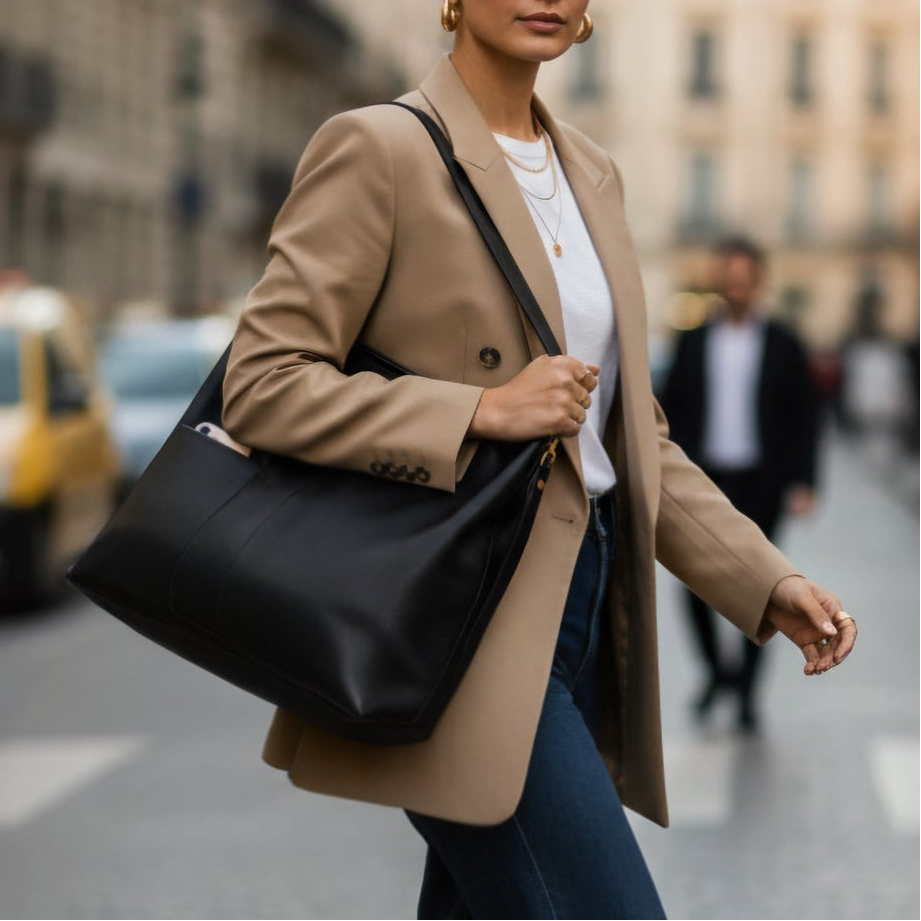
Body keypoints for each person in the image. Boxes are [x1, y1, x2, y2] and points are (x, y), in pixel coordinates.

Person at [221, 3, 857, 918]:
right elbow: (264, 383)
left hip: (584, 605)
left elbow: (629, 433)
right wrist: (481, 409)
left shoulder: (591, 173)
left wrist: (761, 577)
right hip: (457, 608)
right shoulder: (379, 148)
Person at [659, 236, 821, 732]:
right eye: (728, 280)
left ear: (757, 283)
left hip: (763, 479)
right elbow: (670, 410)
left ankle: (747, 691)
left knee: (766, 586)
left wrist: (804, 480)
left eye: (744, 281)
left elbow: (806, 415)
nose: (736, 289)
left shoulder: (784, 342)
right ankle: (716, 673)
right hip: (705, 480)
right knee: (693, 589)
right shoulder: (692, 340)